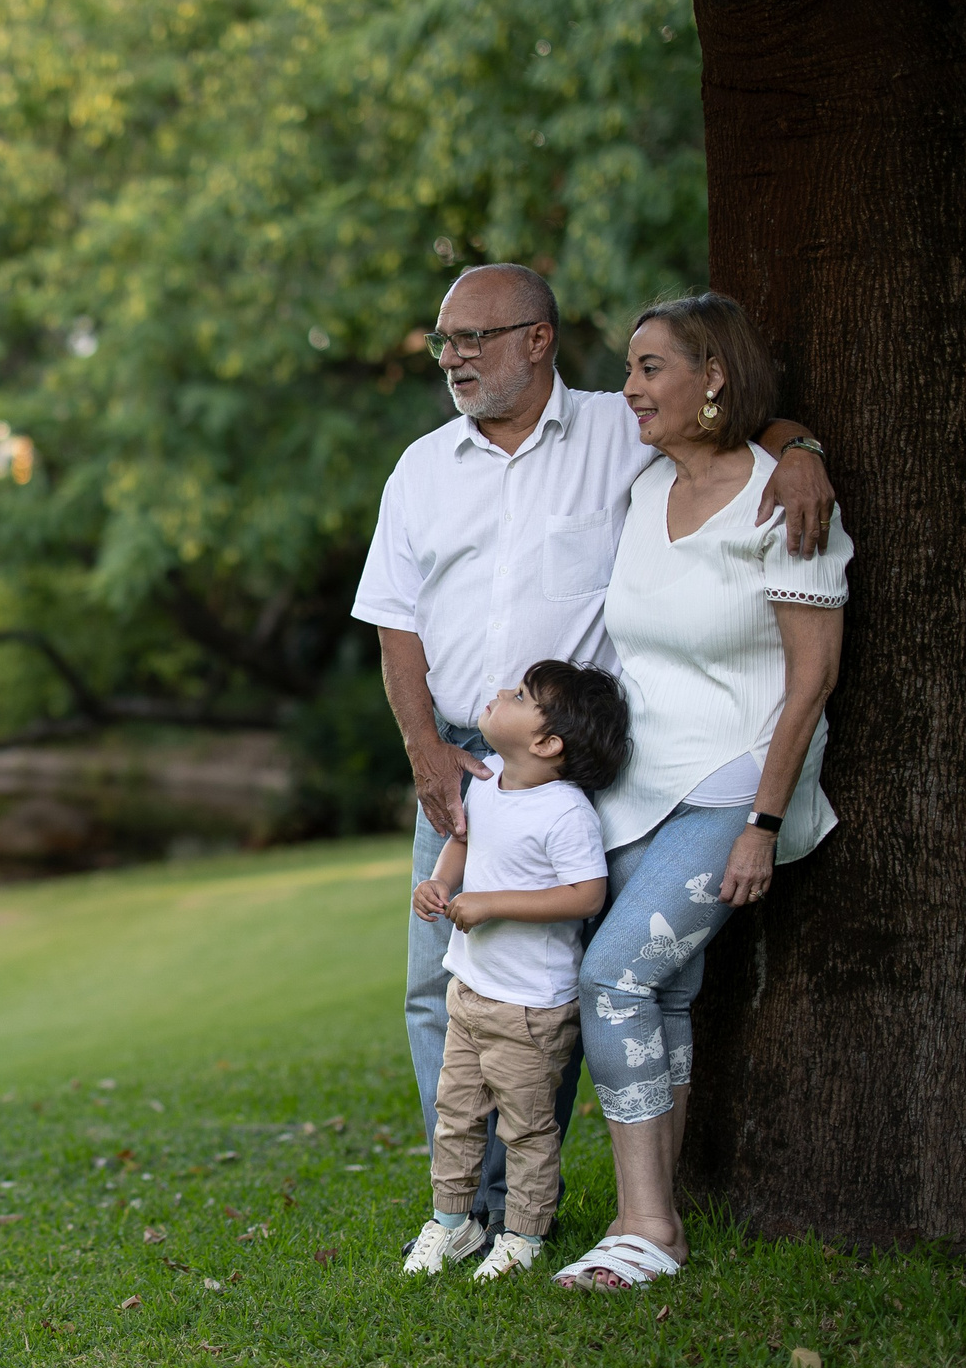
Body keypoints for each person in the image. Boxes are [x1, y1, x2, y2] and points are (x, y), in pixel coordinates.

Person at [352, 264, 836, 1242]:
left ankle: (532, 1200)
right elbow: (393, 626)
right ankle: (468, 1206)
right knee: (435, 983)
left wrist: (803, 449)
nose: (452, 358)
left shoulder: (624, 434)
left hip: (574, 772)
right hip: (452, 761)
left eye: (472, 338)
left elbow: (731, 426)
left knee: (547, 983)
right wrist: (424, 757)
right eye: (444, 341)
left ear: (536, 340)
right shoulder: (419, 469)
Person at [552, 292, 852, 1290]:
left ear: (711, 377)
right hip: (640, 781)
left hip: (735, 779)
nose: (628, 388)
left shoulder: (783, 493)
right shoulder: (644, 492)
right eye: (630, 369)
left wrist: (763, 823)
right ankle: (661, 1213)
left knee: (613, 977)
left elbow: (810, 677)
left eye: (648, 369)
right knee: (665, 989)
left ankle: (646, 1227)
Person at [403, 660, 629, 1281]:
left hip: (530, 1007)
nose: (503, 692)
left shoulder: (565, 813)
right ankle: (454, 1224)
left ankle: (524, 1234)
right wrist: (439, 883)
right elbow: (465, 842)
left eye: (522, 695)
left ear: (547, 743)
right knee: (457, 1116)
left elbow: (586, 895)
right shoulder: (490, 776)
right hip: (470, 991)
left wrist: (492, 905)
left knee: (526, 1129)